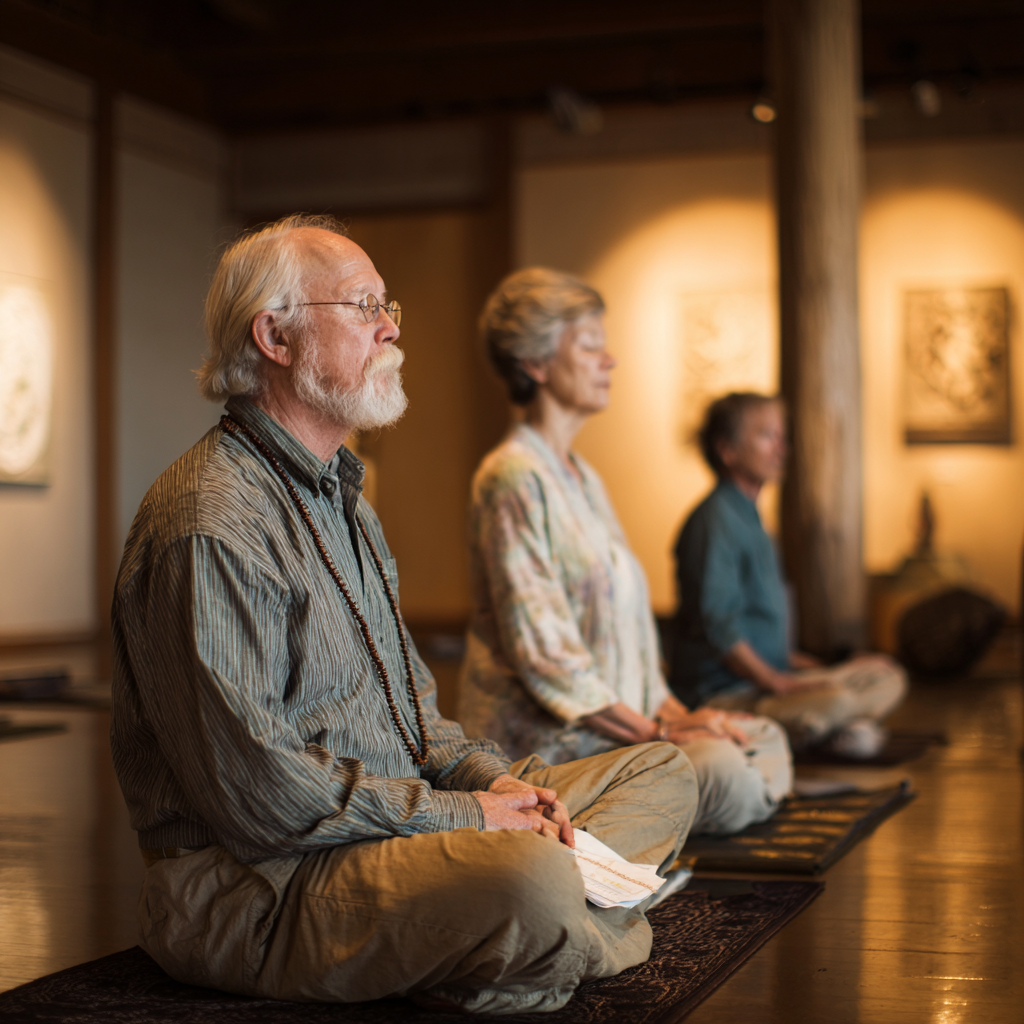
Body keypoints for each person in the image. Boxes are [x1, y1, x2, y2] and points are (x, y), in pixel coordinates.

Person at [110, 216, 697, 1015]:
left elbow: (418, 716)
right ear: (275, 337)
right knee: (532, 878)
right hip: (262, 885)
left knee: (662, 772)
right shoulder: (209, 522)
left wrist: (492, 785)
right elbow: (261, 798)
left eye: (388, 305)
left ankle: (527, 941)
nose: (390, 327)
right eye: (362, 306)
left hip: (390, 831)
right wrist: (472, 819)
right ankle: (574, 932)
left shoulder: (345, 500)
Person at [458, 268, 792, 838]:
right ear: (536, 364)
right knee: (722, 767)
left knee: (759, 736)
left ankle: (657, 820)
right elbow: (548, 659)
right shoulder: (511, 476)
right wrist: (659, 737)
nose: (608, 359)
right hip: (553, 751)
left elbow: (632, 645)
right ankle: (604, 826)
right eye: (589, 346)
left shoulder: (582, 476)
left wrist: (683, 716)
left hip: (625, 734)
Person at [669, 391, 907, 756]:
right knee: (837, 702)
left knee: (885, 675)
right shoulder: (713, 521)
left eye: (782, 436)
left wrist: (820, 669)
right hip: (727, 695)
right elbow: (719, 628)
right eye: (766, 435)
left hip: (770, 682)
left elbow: (762, 632)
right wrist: (780, 682)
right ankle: (823, 731)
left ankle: (815, 733)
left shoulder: (752, 518)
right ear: (727, 450)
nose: (781, 448)